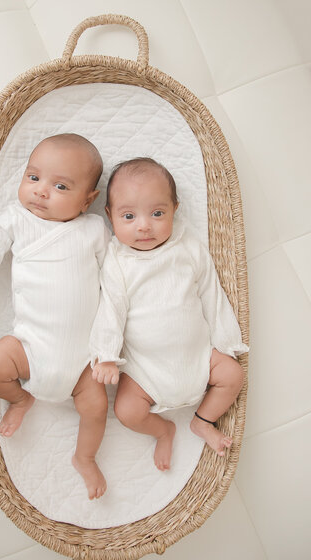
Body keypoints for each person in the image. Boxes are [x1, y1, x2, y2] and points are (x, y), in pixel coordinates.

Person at [0, 133, 110, 499]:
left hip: (84, 361)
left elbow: (117, 281)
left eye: (60, 186)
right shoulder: (15, 220)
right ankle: (19, 399)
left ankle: (85, 457)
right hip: (29, 348)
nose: (41, 191)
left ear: (88, 200)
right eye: (33, 177)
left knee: (96, 409)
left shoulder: (93, 230)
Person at [90, 157, 248, 471]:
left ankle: (203, 421)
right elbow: (110, 309)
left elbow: (211, 293)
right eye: (129, 216)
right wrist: (106, 354)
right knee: (126, 412)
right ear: (110, 217)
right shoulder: (118, 261)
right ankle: (163, 430)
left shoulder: (187, 248)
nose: (144, 225)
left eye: (158, 213)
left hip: (199, 356)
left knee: (233, 375)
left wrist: (227, 341)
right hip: (145, 371)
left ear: (175, 209)